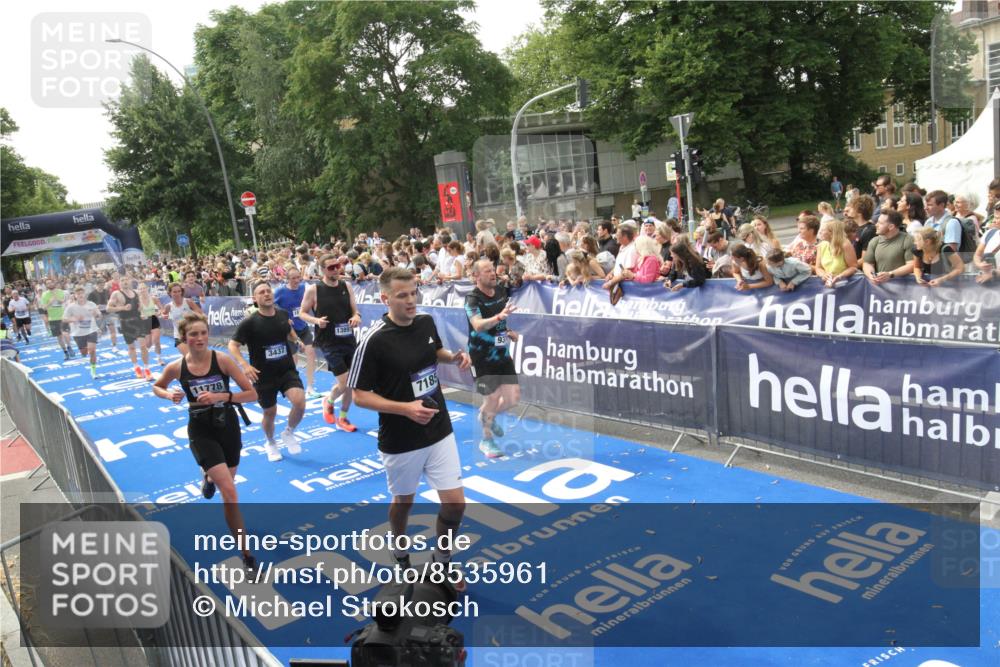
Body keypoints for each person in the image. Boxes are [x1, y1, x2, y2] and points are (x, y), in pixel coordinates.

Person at [349, 267, 472, 582]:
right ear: (385, 299)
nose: (410, 300)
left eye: (413, 293)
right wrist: (405, 409)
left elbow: (434, 351)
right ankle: (399, 552)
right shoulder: (374, 340)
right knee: (404, 502)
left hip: (439, 427)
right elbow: (359, 395)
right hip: (401, 438)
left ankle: (442, 562)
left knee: (455, 504)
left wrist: (453, 357)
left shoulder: (425, 321)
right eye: (402, 295)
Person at [152, 312, 259, 572]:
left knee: (227, 481)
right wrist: (169, 395)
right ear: (184, 338)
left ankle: (209, 478)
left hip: (227, 426)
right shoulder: (176, 367)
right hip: (200, 430)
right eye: (193, 334)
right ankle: (247, 556)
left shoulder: (222, 360)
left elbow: (252, 394)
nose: (199, 338)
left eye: (203, 333)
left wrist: (222, 396)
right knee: (230, 492)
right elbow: (157, 386)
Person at [229, 282, 307, 462]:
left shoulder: (282, 314)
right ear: (255, 299)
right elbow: (233, 345)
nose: (266, 294)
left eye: (268, 291)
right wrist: (244, 365)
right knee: (270, 413)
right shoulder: (249, 323)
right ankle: (270, 441)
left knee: (300, 402)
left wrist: (297, 340)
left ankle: (288, 432)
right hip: (263, 375)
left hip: (286, 370)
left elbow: (289, 330)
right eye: (261, 292)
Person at [464, 260, 520, 458]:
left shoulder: (500, 292)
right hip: (481, 357)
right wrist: (499, 317)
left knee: (512, 398)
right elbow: (478, 325)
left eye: (493, 270)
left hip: (501, 353)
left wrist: (508, 331)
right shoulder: (472, 299)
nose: (493, 273)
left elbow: (500, 323)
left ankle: (486, 415)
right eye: (487, 271)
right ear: (476, 276)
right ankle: (486, 440)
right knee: (493, 398)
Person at [299, 253, 361, 432]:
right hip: (329, 342)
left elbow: (355, 311)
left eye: (337, 266)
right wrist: (316, 321)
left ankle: (342, 417)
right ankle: (329, 400)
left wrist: (356, 317)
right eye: (331, 267)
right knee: (345, 381)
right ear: (322, 270)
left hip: (348, 339)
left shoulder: (346, 285)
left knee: (351, 383)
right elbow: (302, 313)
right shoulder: (314, 290)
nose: (336, 270)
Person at [274, 267, 320, 398]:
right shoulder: (280, 291)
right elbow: (272, 305)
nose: (296, 280)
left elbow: (313, 300)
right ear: (287, 279)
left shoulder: (304, 288)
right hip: (289, 331)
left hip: (303, 327)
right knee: (293, 360)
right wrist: (283, 318)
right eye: (293, 278)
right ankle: (289, 385)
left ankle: (310, 387)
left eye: (298, 277)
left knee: (311, 353)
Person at [108, 279, 153, 379]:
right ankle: (136, 367)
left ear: (130, 282)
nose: (125, 282)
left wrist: (142, 312)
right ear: (119, 283)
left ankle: (147, 369)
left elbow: (141, 307)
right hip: (126, 323)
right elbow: (108, 308)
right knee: (132, 347)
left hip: (138, 322)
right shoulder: (116, 294)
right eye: (123, 281)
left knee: (143, 346)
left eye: (127, 280)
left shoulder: (136, 292)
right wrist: (122, 308)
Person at [863, 210, 915, 284]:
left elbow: (912, 265)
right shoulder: (874, 241)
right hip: (880, 287)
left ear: (891, 226)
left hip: (903, 287)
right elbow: (867, 263)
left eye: (880, 223)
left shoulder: (908, 240)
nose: (876, 225)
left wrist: (890, 274)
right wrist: (871, 275)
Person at [63, 287, 101, 378]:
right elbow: (64, 319)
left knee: (92, 350)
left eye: (82, 293)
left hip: (91, 330)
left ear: (85, 294)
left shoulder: (91, 304)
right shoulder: (71, 306)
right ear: (75, 296)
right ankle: (84, 352)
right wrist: (74, 319)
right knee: (84, 353)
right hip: (78, 333)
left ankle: (93, 371)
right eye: (78, 293)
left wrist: (96, 314)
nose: (80, 295)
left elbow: (99, 315)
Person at [161, 282, 204, 356]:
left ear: (182, 292)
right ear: (170, 293)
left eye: (179, 291)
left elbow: (201, 314)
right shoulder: (168, 306)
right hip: (179, 335)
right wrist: (163, 316)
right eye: (174, 292)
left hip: (192, 333)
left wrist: (192, 316)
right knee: (188, 356)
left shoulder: (188, 302)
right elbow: (164, 313)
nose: (177, 294)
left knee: (196, 356)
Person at [814, 219, 859, 287]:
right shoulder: (821, 245)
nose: (820, 232)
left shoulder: (845, 245)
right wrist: (823, 275)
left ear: (832, 233)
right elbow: (818, 268)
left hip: (845, 284)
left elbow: (853, 267)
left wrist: (839, 276)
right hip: (828, 283)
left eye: (823, 230)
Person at [39, 278, 73, 360]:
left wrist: (58, 299)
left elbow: (63, 301)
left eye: (51, 282)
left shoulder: (60, 291)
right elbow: (44, 308)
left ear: (54, 283)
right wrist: (50, 302)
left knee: (66, 334)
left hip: (63, 316)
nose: (50, 284)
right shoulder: (44, 294)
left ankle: (69, 347)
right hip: (53, 318)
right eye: (48, 283)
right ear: (46, 285)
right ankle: (65, 352)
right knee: (59, 336)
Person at [137, 282, 164, 366]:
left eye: (144, 288)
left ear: (147, 288)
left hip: (153, 319)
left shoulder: (153, 298)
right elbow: (135, 313)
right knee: (148, 344)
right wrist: (140, 316)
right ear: (138, 290)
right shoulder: (137, 301)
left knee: (156, 341)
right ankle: (145, 354)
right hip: (144, 322)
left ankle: (159, 358)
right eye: (140, 289)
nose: (142, 290)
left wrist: (158, 313)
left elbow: (162, 309)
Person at [974, 201, 1000, 284]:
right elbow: (977, 255)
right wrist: (979, 264)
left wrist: (993, 273)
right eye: (994, 217)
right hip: (988, 286)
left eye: (998, 218)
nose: (994, 221)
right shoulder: (990, 233)